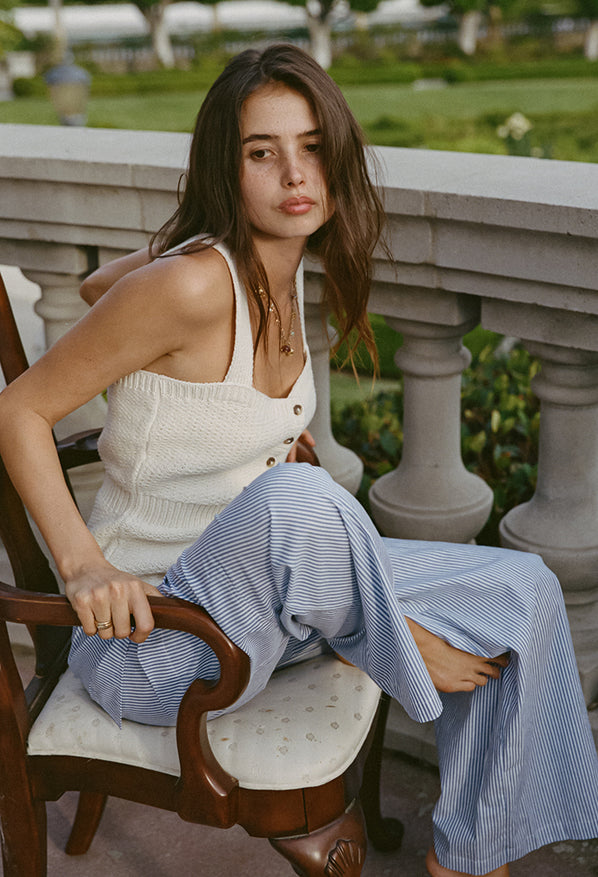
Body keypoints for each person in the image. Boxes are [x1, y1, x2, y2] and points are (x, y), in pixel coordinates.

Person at [0, 44, 596, 877]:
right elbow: (18, 408)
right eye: (260, 152)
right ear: (225, 167)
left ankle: (469, 859)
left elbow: (101, 289)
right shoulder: (196, 285)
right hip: (158, 642)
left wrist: (250, 431)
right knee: (300, 497)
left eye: (312, 145)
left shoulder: (277, 267)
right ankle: (396, 638)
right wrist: (83, 565)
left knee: (524, 589)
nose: (294, 172)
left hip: (263, 603)